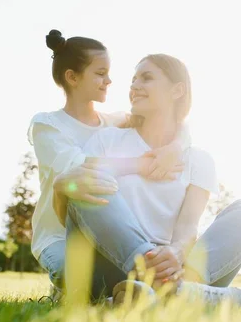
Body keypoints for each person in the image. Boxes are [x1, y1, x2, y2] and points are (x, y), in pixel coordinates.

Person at [56, 54, 241, 308]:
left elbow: (188, 228)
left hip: (173, 267)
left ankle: (172, 291)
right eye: (133, 80)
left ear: (177, 90)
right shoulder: (107, 140)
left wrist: (177, 252)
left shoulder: (198, 160)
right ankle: (177, 292)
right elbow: (76, 212)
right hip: (108, 267)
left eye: (146, 78)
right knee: (91, 182)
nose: (134, 86)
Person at [28, 30, 185, 299]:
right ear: (72, 77)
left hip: (103, 231)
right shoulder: (47, 125)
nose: (109, 81)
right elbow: (79, 167)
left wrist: (177, 146)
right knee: (78, 280)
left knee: (109, 283)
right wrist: (140, 164)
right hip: (58, 236)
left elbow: (169, 121)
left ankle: (143, 289)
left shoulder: (113, 122)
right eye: (100, 73)